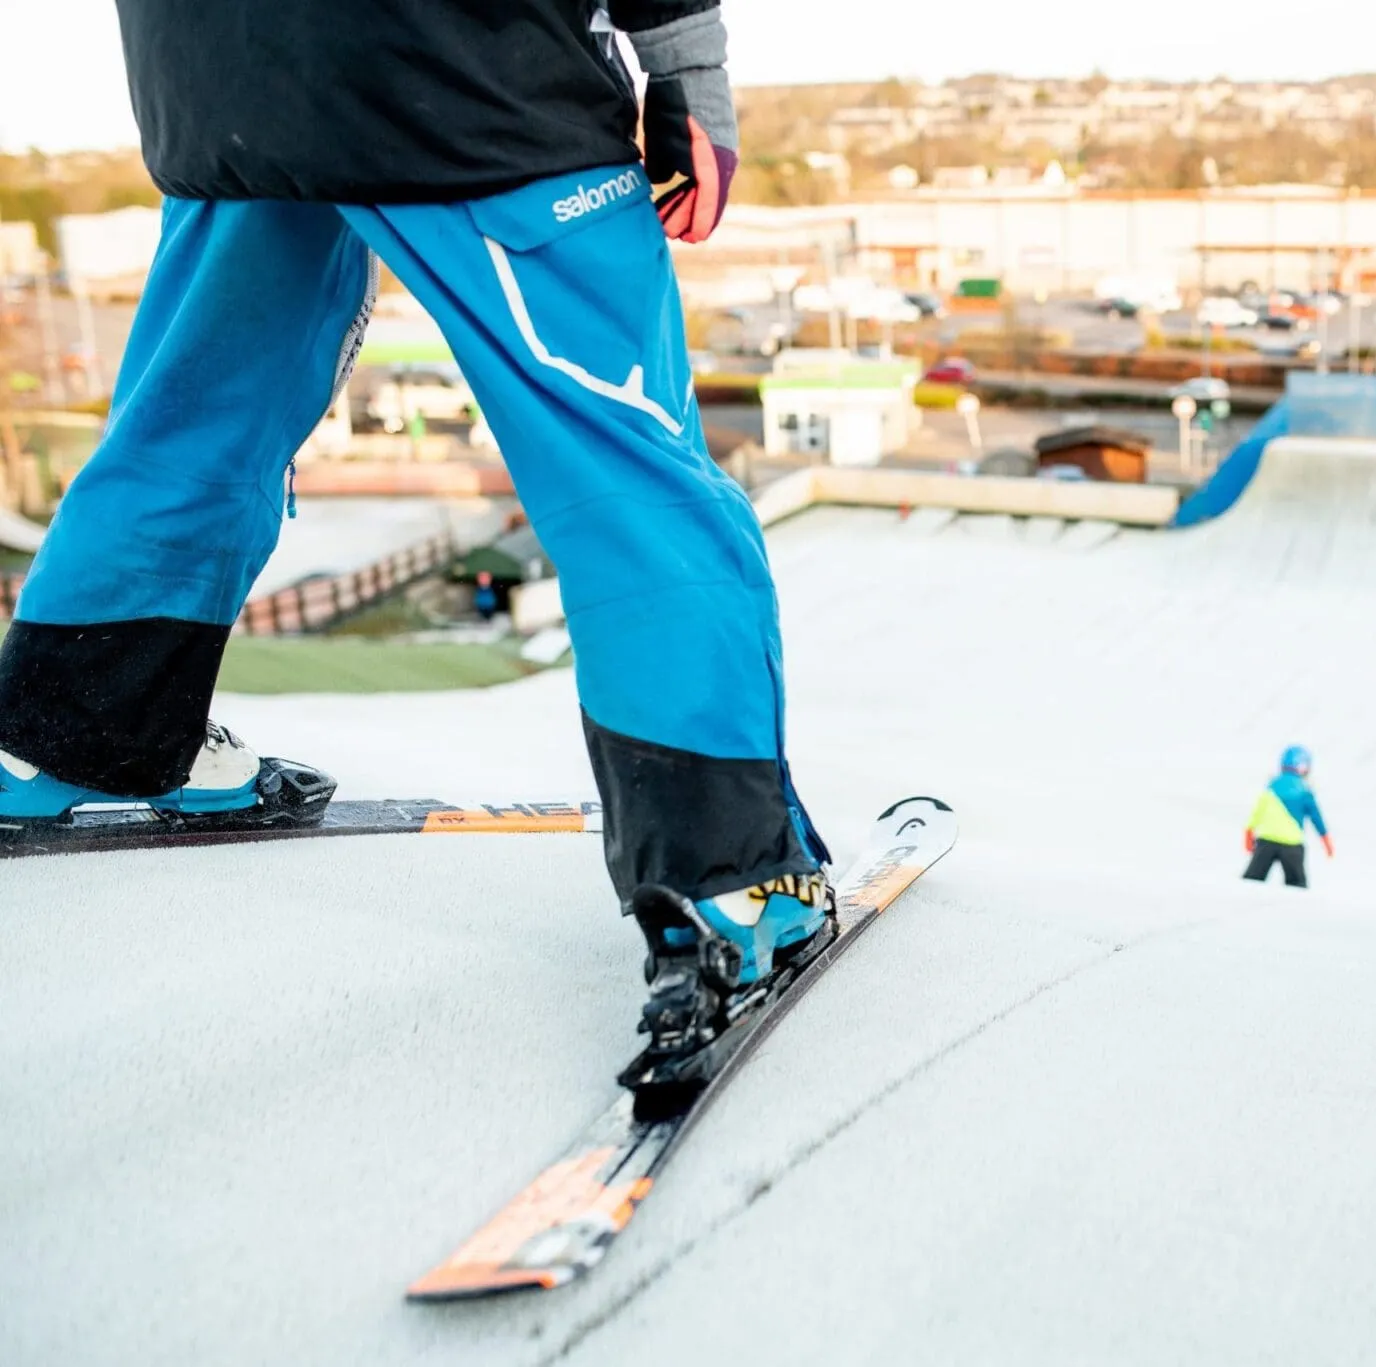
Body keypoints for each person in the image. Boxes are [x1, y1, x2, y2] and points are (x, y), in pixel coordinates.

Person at [0, 0, 829, 1111]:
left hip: (219, 72)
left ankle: (70, 732)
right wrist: (684, 56)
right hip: (460, 67)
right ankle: (730, 880)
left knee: (197, 412)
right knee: (620, 465)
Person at [1243, 745, 1332, 889]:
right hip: (1292, 845)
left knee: (1252, 880)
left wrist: (1248, 832)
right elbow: (1316, 817)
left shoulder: (1272, 785)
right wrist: (1326, 840)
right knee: (1297, 885)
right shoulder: (1304, 789)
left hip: (1266, 841)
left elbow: (1258, 812)